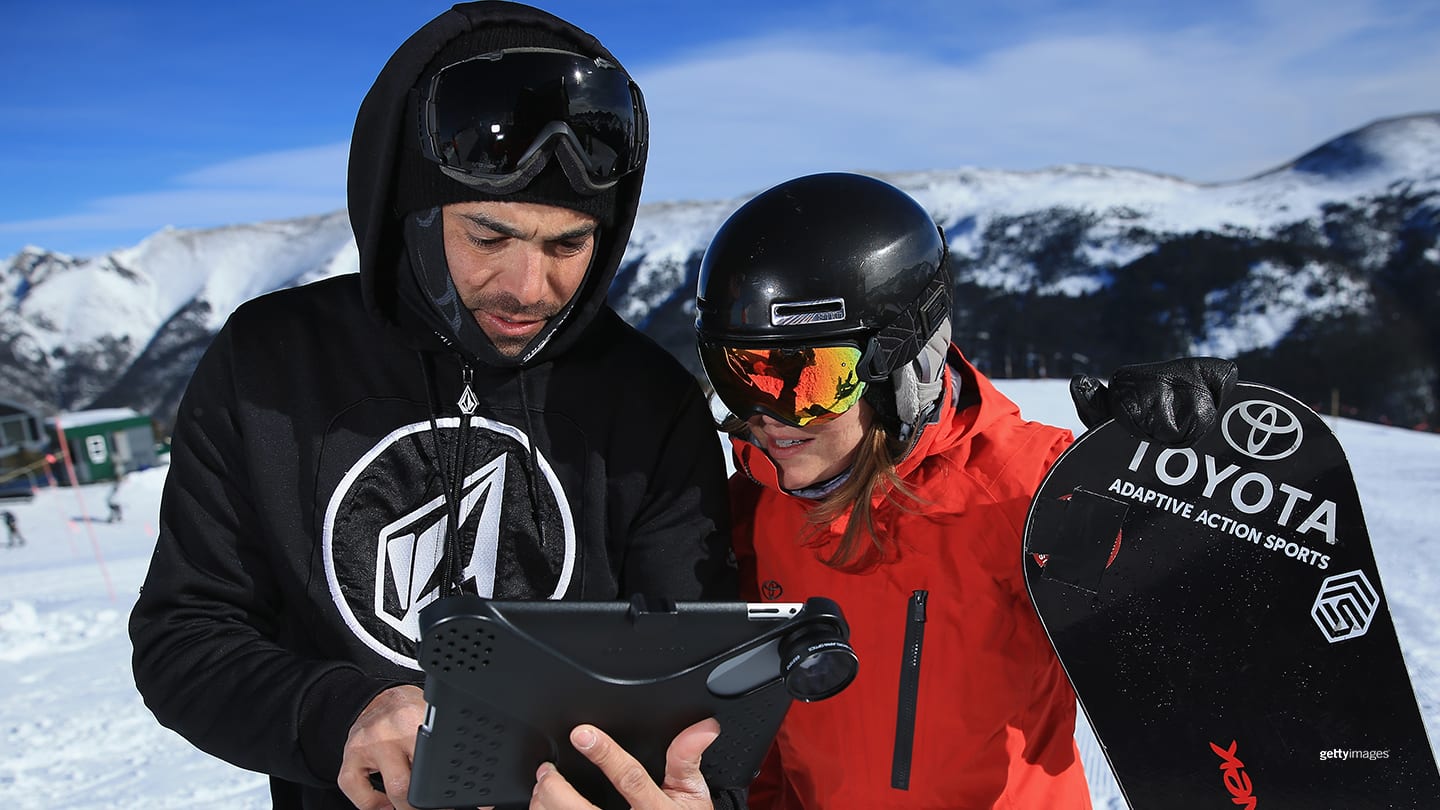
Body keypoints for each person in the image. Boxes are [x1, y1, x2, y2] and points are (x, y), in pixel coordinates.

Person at [127, 4, 735, 809]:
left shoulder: (647, 402)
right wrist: (340, 715)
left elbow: (700, 675)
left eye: (569, 244)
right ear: (409, 215)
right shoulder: (272, 366)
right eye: (489, 237)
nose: (529, 288)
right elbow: (187, 635)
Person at [530, 172, 1237, 809]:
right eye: (739, 376)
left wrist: (1184, 486)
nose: (767, 420)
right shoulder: (746, 510)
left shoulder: (1032, 493)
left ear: (900, 369)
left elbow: (1192, 632)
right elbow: (759, 743)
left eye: (803, 382)